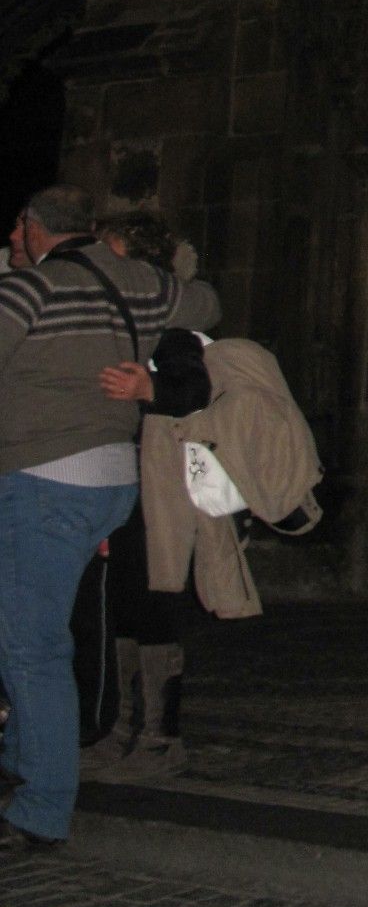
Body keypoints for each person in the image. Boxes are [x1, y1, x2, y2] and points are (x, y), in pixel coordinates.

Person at [0, 185, 218, 850]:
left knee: (32, 647)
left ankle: (41, 806)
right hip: (111, 481)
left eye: (16, 228)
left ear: (33, 227)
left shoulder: (29, 289)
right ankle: (27, 754)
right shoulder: (142, 285)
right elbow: (206, 302)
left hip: (42, 481)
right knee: (35, 631)